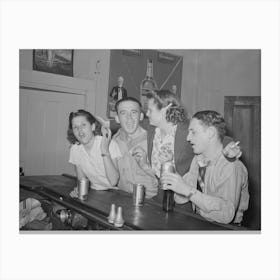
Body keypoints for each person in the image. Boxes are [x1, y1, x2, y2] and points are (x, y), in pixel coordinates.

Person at [161, 110, 249, 224]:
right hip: (201, 222)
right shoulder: (198, 160)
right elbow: (180, 199)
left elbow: (226, 215)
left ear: (211, 133)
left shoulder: (231, 166)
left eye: (193, 132)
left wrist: (188, 191)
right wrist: (173, 174)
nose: (188, 138)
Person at [145, 89, 241, 178]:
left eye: (150, 110)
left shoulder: (187, 130)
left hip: (183, 191)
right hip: (159, 192)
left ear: (165, 110)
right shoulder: (152, 129)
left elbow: (218, 136)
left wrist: (230, 145)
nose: (147, 114)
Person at [67, 109, 121, 196]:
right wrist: (79, 189)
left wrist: (104, 151)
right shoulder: (75, 149)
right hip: (94, 191)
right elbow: (82, 179)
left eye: (83, 125)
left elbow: (113, 181)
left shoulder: (109, 144)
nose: (79, 130)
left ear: (92, 127)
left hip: (116, 193)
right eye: (75, 127)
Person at [112, 97, 158, 198]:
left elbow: (165, 180)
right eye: (123, 113)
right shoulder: (114, 141)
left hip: (150, 201)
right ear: (117, 118)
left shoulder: (154, 141)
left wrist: (145, 165)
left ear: (141, 116)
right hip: (122, 198)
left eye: (134, 112)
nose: (129, 118)